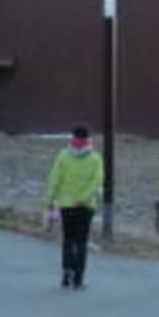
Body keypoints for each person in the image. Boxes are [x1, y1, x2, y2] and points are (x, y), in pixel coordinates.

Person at [44, 123, 104, 290]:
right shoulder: (95, 158)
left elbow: (55, 179)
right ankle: (78, 278)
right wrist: (84, 198)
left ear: (73, 138)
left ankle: (66, 273)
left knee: (68, 240)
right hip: (86, 206)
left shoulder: (63, 156)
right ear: (88, 140)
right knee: (82, 242)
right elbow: (97, 181)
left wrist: (49, 200)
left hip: (66, 204)